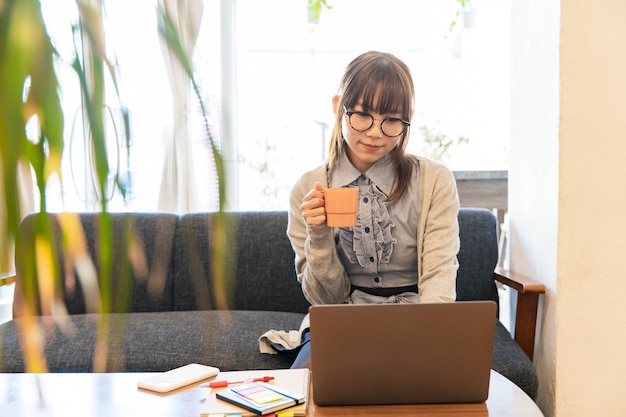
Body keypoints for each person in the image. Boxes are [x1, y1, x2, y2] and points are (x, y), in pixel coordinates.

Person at [285, 51, 461, 368]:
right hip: (340, 319)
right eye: (363, 115)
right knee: (311, 389)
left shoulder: (434, 181)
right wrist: (320, 235)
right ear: (339, 106)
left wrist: (434, 338)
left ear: (407, 119)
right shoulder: (308, 188)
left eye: (391, 119)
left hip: (417, 319)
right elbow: (325, 300)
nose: (376, 132)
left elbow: (439, 277)